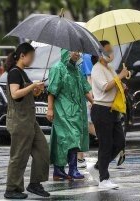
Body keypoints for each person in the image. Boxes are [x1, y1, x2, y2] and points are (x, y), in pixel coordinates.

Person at [4, 43, 50, 199]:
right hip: (19, 120)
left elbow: (26, 94)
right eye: (31, 56)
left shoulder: (23, 73)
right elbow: (15, 94)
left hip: (30, 120)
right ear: (22, 55)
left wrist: (36, 90)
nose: (33, 59)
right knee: (19, 155)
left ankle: (35, 183)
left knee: (43, 150)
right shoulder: (14, 73)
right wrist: (32, 87)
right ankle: (12, 189)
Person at [46, 49, 93, 181]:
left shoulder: (77, 70)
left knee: (64, 140)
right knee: (71, 138)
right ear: (65, 51)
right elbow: (52, 90)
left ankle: (59, 170)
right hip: (62, 110)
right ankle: (72, 169)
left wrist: (93, 102)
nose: (77, 53)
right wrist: (50, 109)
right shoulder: (57, 68)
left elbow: (85, 88)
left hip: (76, 111)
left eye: (79, 51)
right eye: (74, 50)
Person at [87, 40, 128, 189]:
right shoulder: (97, 69)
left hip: (113, 110)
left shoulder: (110, 68)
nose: (111, 53)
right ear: (99, 54)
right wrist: (120, 76)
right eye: (107, 51)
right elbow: (104, 87)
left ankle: (98, 167)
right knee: (106, 144)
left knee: (119, 143)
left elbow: (113, 85)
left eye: (111, 50)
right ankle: (103, 179)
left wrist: (121, 85)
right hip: (101, 110)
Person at [77, 53, 97, 169]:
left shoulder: (85, 58)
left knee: (87, 125)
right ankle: (80, 157)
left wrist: (90, 100)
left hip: (85, 99)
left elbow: (89, 78)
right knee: (82, 127)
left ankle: (110, 140)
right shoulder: (79, 58)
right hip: (79, 99)